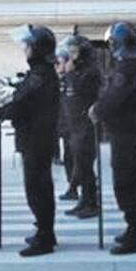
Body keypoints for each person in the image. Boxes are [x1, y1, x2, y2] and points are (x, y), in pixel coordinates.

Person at [0, 24, 60, 257]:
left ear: (38, 49)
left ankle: (44, 237)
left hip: (36, 138)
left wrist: (2, 112)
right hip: (36, 137)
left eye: (28, 46)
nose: (25, 50)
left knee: (37, 188)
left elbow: (23, 103)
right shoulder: (40, 73)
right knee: (39, 186)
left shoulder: (41, 75)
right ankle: (45, 231)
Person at [91, 21, 136, 255]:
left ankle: (134, 234)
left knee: (126, 182)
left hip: (127, 133)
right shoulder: (133, 65)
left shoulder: (128, 67)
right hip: (127, 132)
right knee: (127, 180)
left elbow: (116, 96)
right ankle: (131, 228)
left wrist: (98, 109)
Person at [58, 34, 102, 219]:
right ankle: (84, 200)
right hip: (74, 125)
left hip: (85, 126)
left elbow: (81, 92)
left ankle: (91, 203)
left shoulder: (89, 72)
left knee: (85, 166)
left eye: (74, 52)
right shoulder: (76, 71)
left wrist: (69, 73)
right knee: (80, 166)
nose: (71, 56)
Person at [56, 50, 78, 201]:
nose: (57, 66)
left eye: (59, 63)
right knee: (69, 158)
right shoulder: (63, 79)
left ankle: (78, 188)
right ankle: (73, 187)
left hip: (73, 125)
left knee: (76, 158)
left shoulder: (71, 79)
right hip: (65, 125)